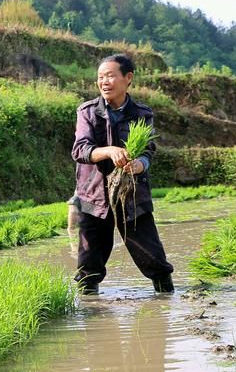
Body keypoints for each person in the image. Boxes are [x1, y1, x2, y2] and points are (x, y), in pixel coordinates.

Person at [71, 54, 174, 294]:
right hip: (93, 194)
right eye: (100, 77)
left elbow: (149, 150)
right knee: (89, 264)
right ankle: (89, 311)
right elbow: (80, 149)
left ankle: (165, 299)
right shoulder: (87, 112)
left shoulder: (142, 113)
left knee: (152, 256)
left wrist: (140, 164)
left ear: (128, 78)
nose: (104, 82)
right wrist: (108, 151)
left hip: (132, 194)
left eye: (110, 76)